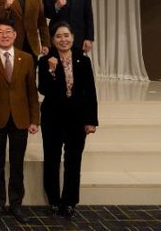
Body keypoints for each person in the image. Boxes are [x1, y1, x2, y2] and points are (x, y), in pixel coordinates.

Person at [0, 19, 39, 224]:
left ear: (15, 35)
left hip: (20, 118)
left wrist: (34, 119)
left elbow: (32, 91)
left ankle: (16, 204)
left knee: (17, 164)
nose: (4, 35)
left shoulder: (27, 58)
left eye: (8, 32)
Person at [38, 22, 98, 219]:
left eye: (66, 35)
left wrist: (91, 120)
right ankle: (54, 201)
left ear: (73, 37)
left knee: (73, 161)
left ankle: (70, 202)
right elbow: (44, 89)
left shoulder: (83, 60)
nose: (63, 40)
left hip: (77, 119)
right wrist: (51, 71)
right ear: (52, 40)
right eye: (58, 36)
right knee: (52, 159)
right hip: (52, 118)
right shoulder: (45, 60)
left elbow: (90, 92)